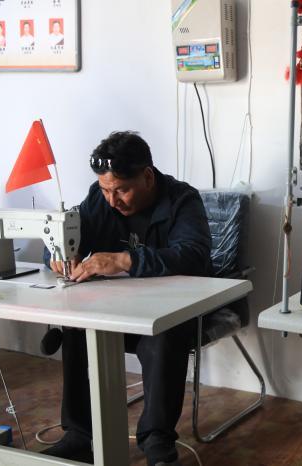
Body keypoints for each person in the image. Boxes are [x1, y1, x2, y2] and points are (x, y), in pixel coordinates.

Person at [42, 131, 212, 466]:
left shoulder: (182, 200)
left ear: (147, 176)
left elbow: (193, 255)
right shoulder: (99, 198)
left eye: (121, 190)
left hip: (173, 310)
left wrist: (125, 260)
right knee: (76, 326)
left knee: (162, 335)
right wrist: (59, 254)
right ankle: (79, 434)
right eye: (106, 190)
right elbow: (67, 234)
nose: (112, 201)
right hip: (119, 307)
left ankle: (157, 442)